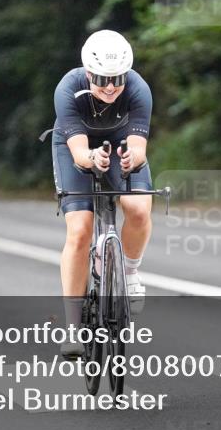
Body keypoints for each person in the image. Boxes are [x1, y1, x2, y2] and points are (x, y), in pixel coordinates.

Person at [50, 30, 154, 359]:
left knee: (138, 210)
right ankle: (71, 327)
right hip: (75, 147)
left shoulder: (138, 88)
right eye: (102, 80)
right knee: (79, 230)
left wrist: (131, 159)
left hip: (121, 142)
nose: (110, 87)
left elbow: (138, 148)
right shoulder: (68, 88)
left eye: (117, 79)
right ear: (87, 72)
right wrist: (92, 158)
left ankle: (130, 271)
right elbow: (80, 152)